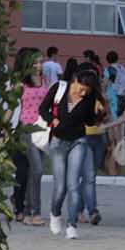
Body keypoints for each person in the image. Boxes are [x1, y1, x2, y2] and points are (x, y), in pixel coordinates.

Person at [46, 69, 105, 240]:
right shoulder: (59, 88)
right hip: (58, 143)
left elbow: (88, 121)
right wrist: (52, 119)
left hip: (78, 142)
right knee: (60, 188)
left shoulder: (89, 97)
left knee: (73, 185)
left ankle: (72, 225)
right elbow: (43, 109)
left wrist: (98, 114)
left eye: (88, 89)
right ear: (75, 80)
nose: (84, 91)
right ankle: (55, 213)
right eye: (82, 86)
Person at [11, 53, 52, 225]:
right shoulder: (20, 84)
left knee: (32, 171)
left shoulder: (45, 81)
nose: (39, 65)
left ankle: (27, 212)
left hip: (42, 129)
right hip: (26, 129)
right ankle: (35, 212)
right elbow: (11, 105)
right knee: (37, 170)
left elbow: (51, 102)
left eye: (40, 62)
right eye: (35, 62)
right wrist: (4, 130)